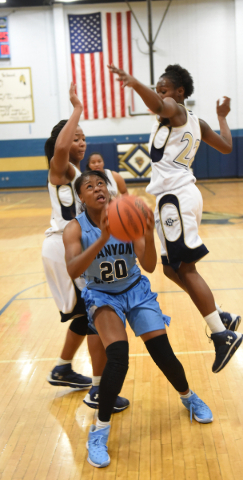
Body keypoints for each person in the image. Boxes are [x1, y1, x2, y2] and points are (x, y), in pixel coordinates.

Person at [63, 169, 214, 468]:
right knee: (118, 357)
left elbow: (149, 266)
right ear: (80, 196)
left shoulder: (126, 215)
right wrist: (103, 238)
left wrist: (146, 231)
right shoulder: (74, 228)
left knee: (163, 354)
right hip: (103, 296)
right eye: (89, 186)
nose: (97, 189)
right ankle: (99, 430)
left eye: (101, 184)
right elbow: (73, 269)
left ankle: (189, 397)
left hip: (135, 290)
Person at [108, 64, 243, 373]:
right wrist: (222, 116)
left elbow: (159, 105)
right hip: (176, 198)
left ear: (179, 93)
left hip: (176, 199)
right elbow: (226, 146)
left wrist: (135, 83)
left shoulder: (176, 110)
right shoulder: (198, 122)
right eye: (158, 89)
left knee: (186, 268)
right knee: (170, 269)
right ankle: (219, 315)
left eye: (163, 88)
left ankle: (222, 335)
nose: (159, 95)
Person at [42, 82, 129, 412]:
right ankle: (97, 389)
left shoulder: (79, 174)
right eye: (74, 137)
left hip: (69, 246)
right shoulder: (60, 168)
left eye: (82, 137)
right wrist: (76, 108)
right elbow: (61, 148)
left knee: (83, 313)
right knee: (94, 313)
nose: (79, 142)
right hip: (62, 248)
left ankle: (63, 367)